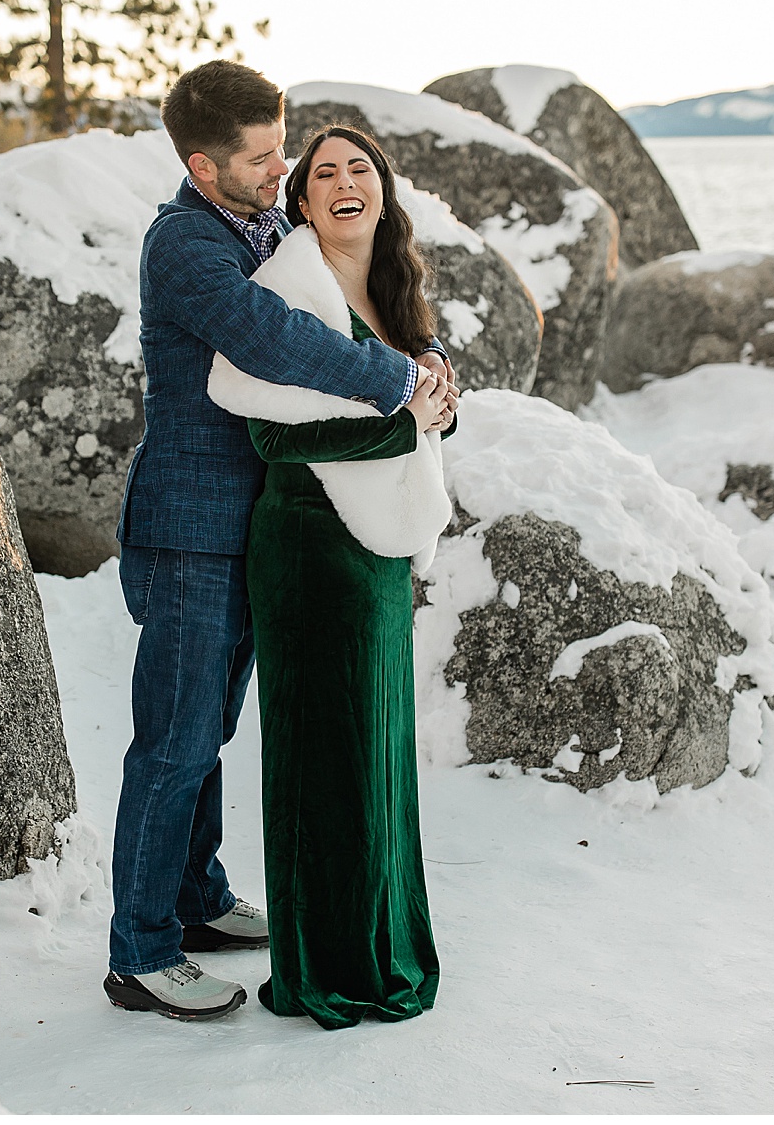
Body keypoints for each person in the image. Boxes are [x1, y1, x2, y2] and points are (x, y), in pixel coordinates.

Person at [104, 63, 457, 1021]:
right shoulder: (185, 244)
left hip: (259, 524)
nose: (281, 168)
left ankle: (199, 897)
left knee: (208, 731)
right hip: (190, 527)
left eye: (281, 148)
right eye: (261, 157)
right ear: (201, 163)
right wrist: (392, 382)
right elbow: (270, 334)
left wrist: (423, 357)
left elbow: (344, 288)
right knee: (173, 742)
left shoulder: (259, 224)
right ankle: (138, 953)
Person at [224, 124, 455, 1029]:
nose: (345, 181)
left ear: (384, 192)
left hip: (378, 554)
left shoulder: (394, 293)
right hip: (310, 547)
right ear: (303, 201)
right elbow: (271, 434)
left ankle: (383, 947)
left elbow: (422, 408)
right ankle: (329, 967)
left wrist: (435, 401)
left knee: (378, 759)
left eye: (361, 168)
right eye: (324, 173)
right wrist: (407, 425)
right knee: (327, 760)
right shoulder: (290, 287)